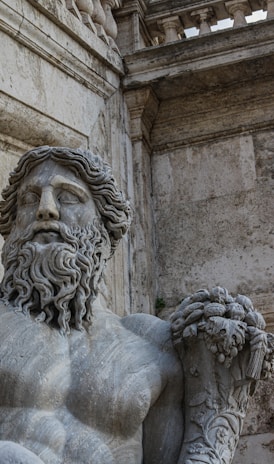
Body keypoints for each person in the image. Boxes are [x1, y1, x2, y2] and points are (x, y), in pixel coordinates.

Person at [0, 146, 184, 464]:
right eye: (29, 199)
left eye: (67, 197)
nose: (46, 209)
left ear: (103, 220)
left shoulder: (149, 342)